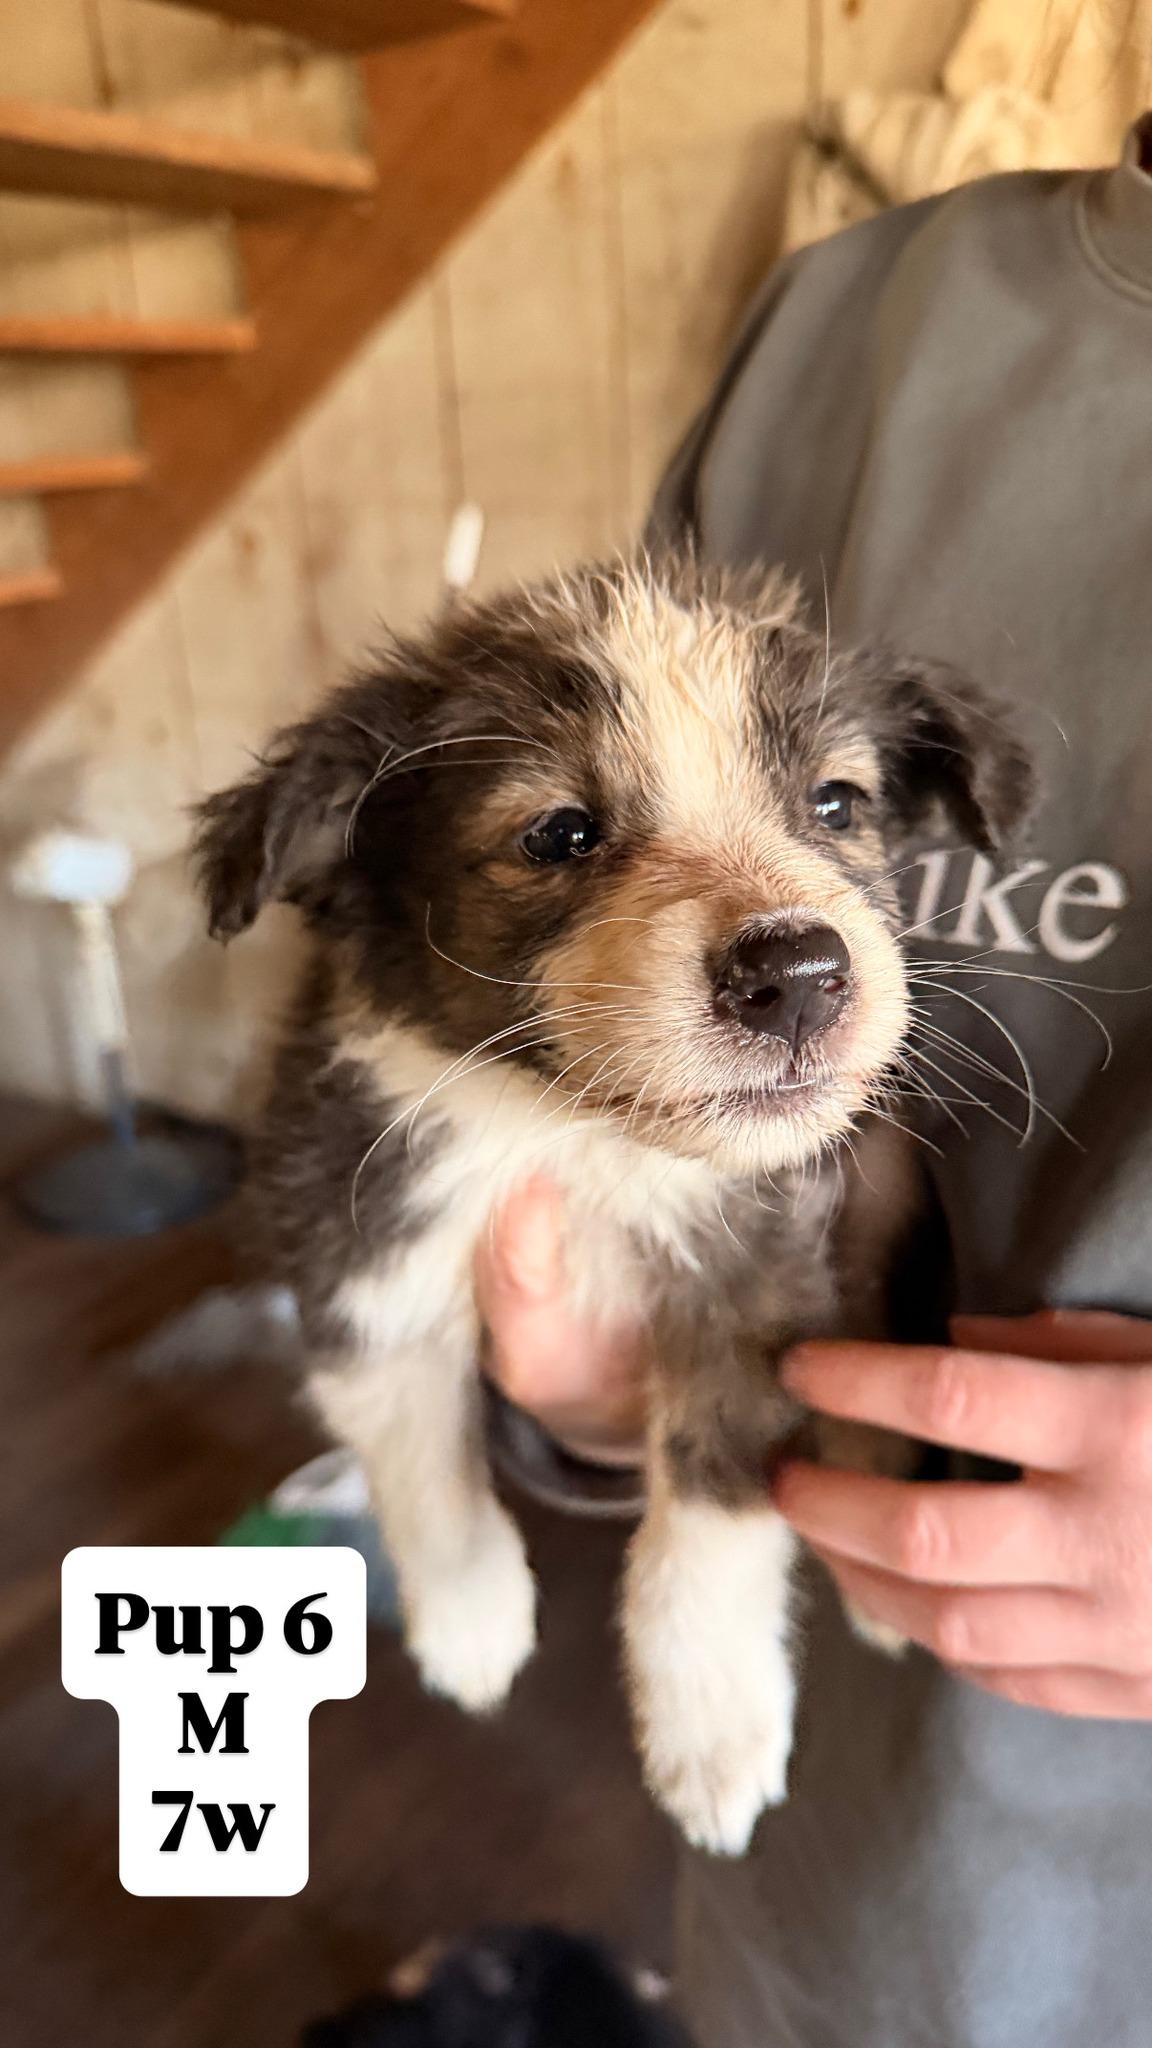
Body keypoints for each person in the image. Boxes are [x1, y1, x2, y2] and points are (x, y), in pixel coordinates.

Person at [474, 116, 1152, 2048]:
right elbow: (566, 965)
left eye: (839, 805)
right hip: (865, 1900)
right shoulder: (838, 329)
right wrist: (583, 1389)